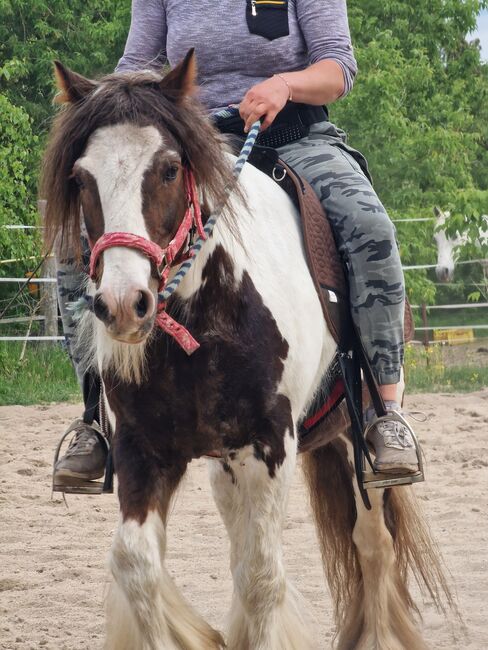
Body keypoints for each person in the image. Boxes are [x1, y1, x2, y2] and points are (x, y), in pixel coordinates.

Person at [53, 0, 419, 487]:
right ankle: (96, 415)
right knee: (77, 248)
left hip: (297, 138)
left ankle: (383, 411)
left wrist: (285, 85)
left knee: (369, 229)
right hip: (189, 147)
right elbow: (134, 70)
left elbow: (337, 67)